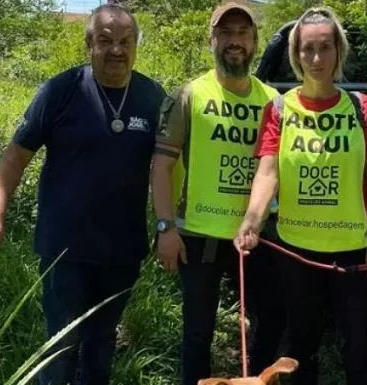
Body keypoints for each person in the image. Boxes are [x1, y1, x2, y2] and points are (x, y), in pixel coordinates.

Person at [0, 4, 166, 385]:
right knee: (60, 348)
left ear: (136, 45)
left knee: (100, 346)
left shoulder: (151, 97)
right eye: (105, 41)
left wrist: (169, 223)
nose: (116, 50)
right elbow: (15, 158)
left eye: (125, 41)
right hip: (64, 249)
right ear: (89, 44)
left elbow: (167, 166)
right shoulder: (61, 91)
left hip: (122, 250)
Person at [234, 7, 367, 385]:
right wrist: (252, 219)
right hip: (296, 250)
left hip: (354, 250)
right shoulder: (280, 109)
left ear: (339, 52)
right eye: (307, 49)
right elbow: (268, 171)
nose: (316, 58)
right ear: (295, 55)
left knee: (359, 349)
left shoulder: (360, 107)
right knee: (300, 347)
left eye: (325, 47)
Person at [150, 3, 286, 385]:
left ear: (255, 41)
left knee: (271, 322)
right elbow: (161, 165)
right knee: (197, 332)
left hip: (259, 236)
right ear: (212, 40)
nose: (234, 41)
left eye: (243, 32)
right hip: (198, 236)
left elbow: (278, 171)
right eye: (225, 33)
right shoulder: (189, 95)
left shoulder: (274, 101)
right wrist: (165, 227)